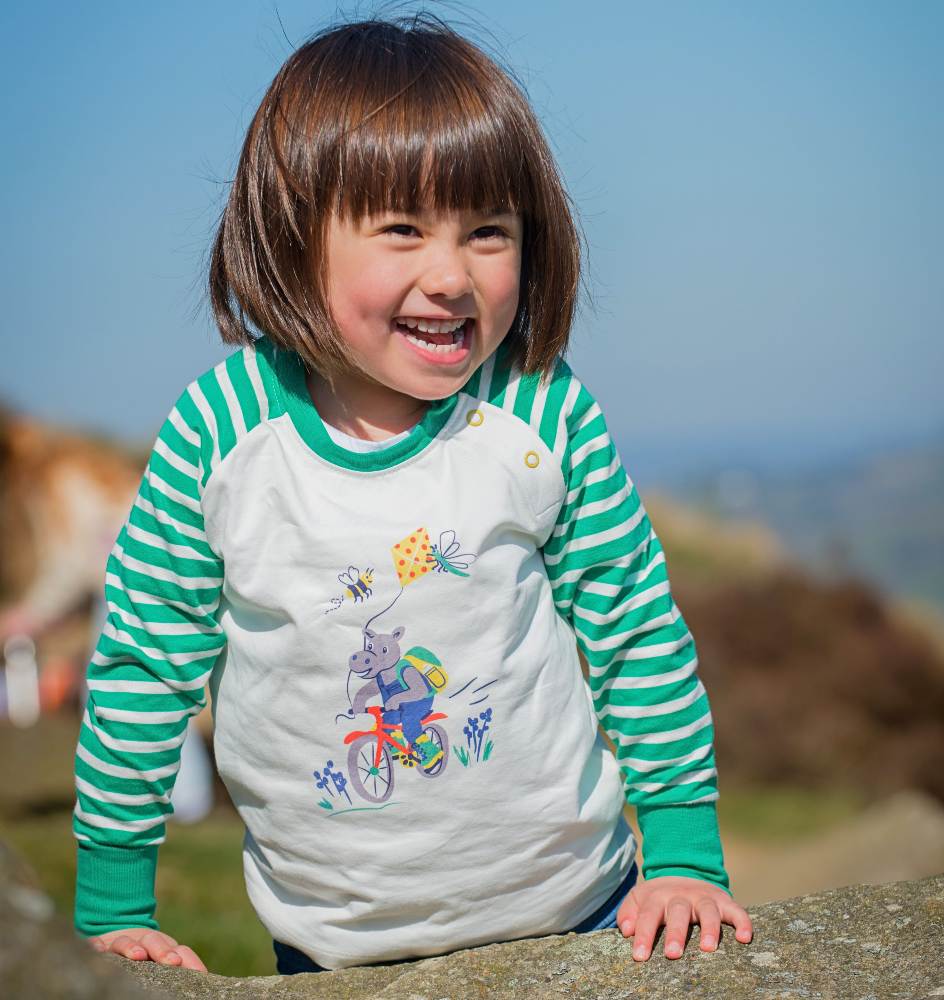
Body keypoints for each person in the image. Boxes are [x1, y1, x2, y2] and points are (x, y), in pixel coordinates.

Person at [75, 13, 754, 976]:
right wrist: (112, 900)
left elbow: (633, 626)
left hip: (588, 912)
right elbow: (145, 664)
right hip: (335, 948)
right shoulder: (219, 436)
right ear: (292, 234)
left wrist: (684, 855)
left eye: (488, 231)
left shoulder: (540, 410)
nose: (451, 275)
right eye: (401, 229)